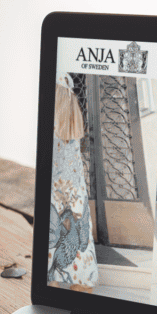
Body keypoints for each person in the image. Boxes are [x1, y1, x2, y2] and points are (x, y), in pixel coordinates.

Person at [48, 73, 98, 292]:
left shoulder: (53, 134)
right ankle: (81, 281)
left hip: (56, 192)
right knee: (78, 237)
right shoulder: (73, 129)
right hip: (76, 193)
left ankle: (53, 281)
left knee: (55, 235)